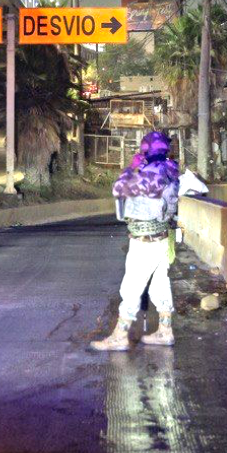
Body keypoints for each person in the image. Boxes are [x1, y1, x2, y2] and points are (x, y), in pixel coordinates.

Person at [92, 131, 181, 351]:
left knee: (131, 287)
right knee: (159, 285)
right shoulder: (169, 170)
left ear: (147, 149)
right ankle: (165, 331)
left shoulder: (151, 173)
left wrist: (132, 167)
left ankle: (120, 336)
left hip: (145, 240)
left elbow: (118, 188)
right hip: (161, 237)